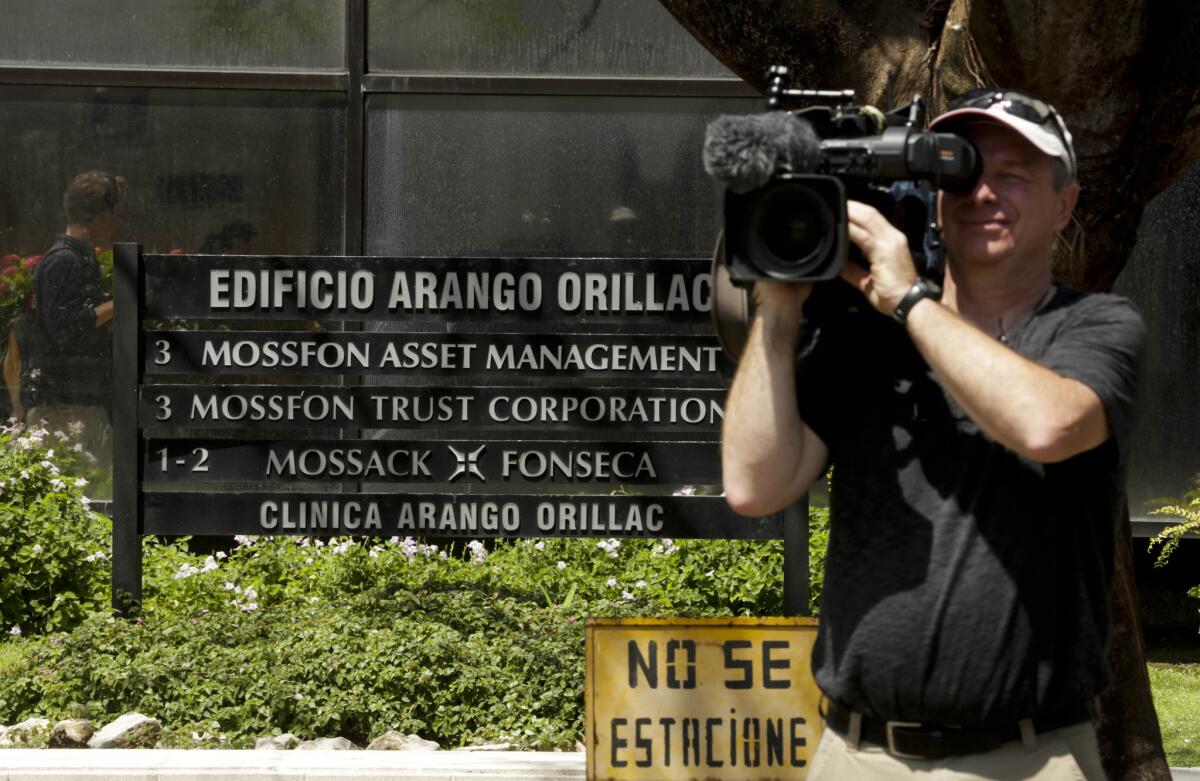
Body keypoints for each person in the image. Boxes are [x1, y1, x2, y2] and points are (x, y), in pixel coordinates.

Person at [722, 90, 1144, 780]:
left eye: (1013, 174)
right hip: (856, 755)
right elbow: (753, 484)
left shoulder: (1097, 327)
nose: (982, 192)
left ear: (1064, 205)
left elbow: (1046, 424)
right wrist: (778, 308)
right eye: (964, 171)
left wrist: (910, 300)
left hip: (1029, 758)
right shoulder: (868, 339)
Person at [22, 170, 124, 475]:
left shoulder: (77, 258)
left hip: (79, 404)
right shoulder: (64, 260)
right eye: (114, 213)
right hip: (64, 410)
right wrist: (119, 306)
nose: (117, 222)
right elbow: (63, 327)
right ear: (101, 215)